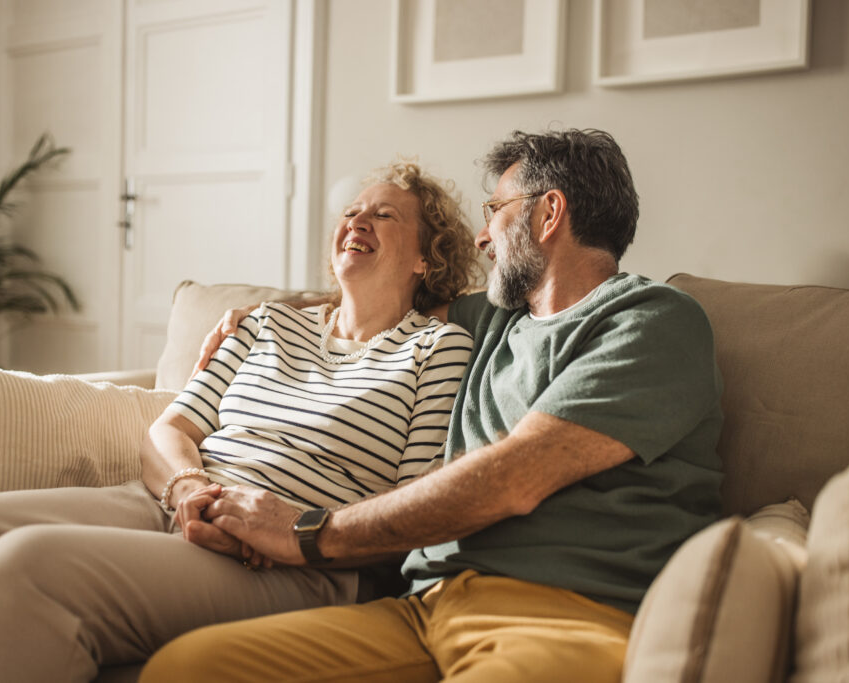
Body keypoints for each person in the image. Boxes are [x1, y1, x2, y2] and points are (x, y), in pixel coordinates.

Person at [138, 129, 725, 683]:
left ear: (549, 213)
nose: (481, 237)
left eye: (496, 210)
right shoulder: (493, 319)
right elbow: (378, 291)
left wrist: (310, 531)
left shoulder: (650, 319)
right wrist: (256, 318)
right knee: (187, 667)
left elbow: (516, 478)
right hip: (422, 609)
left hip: (563, 611)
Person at [0, 161, 479, 683]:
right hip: (178, 501)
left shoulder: (437, 349)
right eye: (352, 210)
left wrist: (294, 528)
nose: (356, 221)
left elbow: (411, 501)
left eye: (385, 215)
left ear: (427, 257)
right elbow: (172, 429)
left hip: (295, 559)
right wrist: (188, 489)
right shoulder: (267, 322)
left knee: (23, 571)